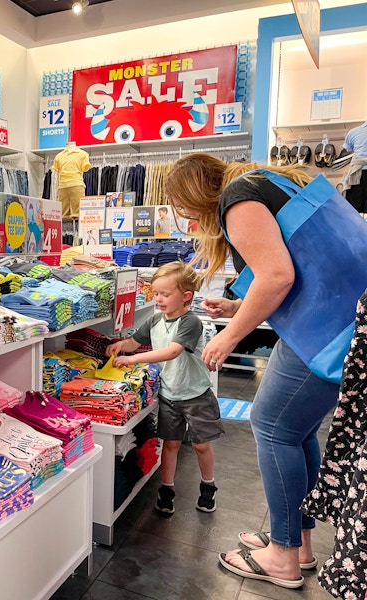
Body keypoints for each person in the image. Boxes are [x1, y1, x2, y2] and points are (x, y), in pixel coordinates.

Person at [164, 153, 340, 589]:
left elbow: (277, 276)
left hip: (324, 326)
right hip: (339, 319)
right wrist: (240, 306)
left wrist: (230, 334)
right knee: (296, 432)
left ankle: (282, 556)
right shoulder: (264, 183)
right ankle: (296, 543)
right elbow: (297, 272)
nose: (184, 215)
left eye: (181, 206)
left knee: (273, 427)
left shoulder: (237, 198)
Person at [105, 261, 223, 516]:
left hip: (197, 395)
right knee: (170, 444)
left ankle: (208, 486)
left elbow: (172, 351)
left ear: (186, 296)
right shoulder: (155, 320)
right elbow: (134, 342)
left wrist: (131, 359)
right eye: (156, 293)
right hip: (169, 396)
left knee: (201, 445)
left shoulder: (191, 323)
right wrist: (120, 346)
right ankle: (166, 490)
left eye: (165, 294)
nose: (158, 299)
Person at [52, 141, 90, 220]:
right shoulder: (58, 156)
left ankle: (78, 231)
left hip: (76, 184)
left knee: (78, 214)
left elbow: (85, 168)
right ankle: (65, 231)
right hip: (62, 185)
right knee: (63, 214)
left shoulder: (83, 154)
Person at [341, 120, 367, 213]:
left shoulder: (353, 132)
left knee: (354, 212)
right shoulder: (354, 132)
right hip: (357, 172)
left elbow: (348, 148)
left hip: (357, 173)